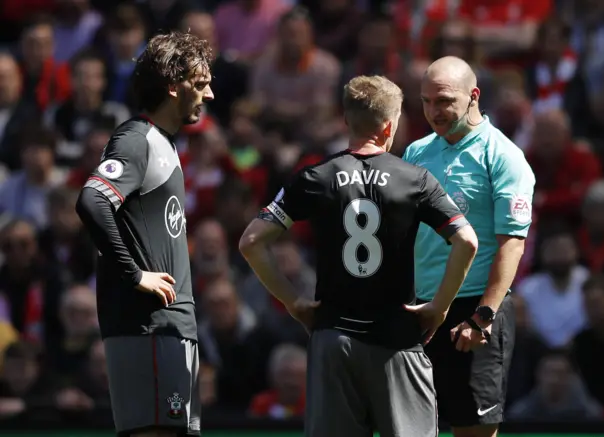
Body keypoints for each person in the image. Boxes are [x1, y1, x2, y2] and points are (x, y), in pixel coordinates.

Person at [239, 75, 479, 437]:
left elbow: (251, 242)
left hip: (334, 340)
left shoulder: (315, 178)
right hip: (396, 339)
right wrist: (440, 307)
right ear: (389, 126)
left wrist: (293, 302)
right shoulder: (416, 180)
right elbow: (467, 241)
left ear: (346, 120)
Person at [75, 31, 214, 437]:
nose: (209, 96)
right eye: (201, 84)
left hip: (170, 330)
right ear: (173, 86)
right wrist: (135, 274)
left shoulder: (165, 145)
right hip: (147, 329)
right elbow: (92, 201)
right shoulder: (138, 139)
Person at [403, 56, 536, 437]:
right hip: (422, 308)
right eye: (426, 101)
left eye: (444, 100)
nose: (433, 111)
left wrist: (484, 316)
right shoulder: (416, 153)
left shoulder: (504, 157)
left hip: (473, 309)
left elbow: (512, 244)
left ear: (473, 96)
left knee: (473, 432)